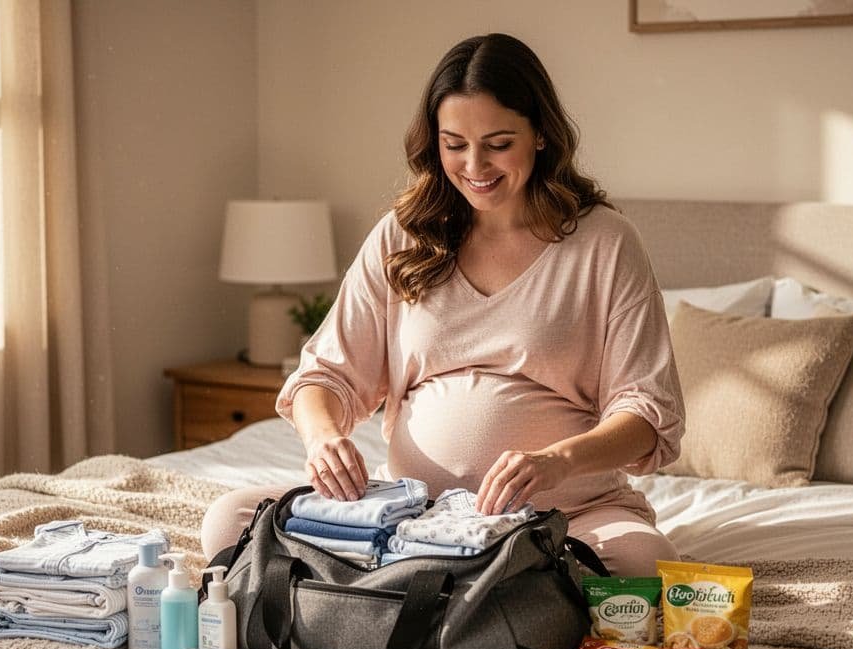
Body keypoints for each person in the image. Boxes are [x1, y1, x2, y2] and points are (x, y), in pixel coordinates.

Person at [200, 33, 684, 576]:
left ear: (541, 134)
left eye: (498, 143)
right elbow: (324, 375)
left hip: (565, 517)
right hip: (411, 516)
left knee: (645, 560)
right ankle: (461, 578)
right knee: (229, 521)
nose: (475, 164)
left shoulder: (605, 242)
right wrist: (324, 437)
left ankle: (421, 580)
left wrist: (555, 462)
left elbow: (646, 412)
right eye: (454, 144)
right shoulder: (403, 236)